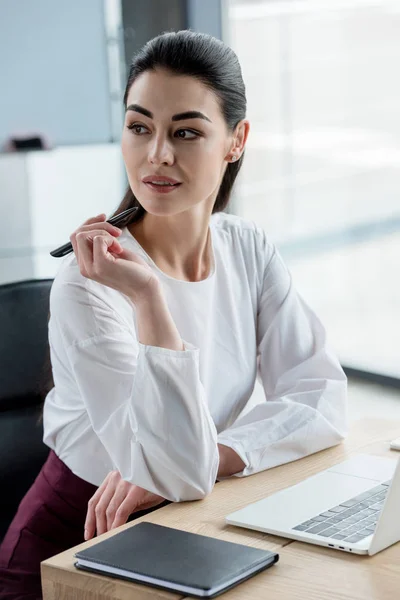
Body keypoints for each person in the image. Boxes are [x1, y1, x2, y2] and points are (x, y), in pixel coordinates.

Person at [0, 30, 348, 599]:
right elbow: (174, 472)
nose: (157, 153)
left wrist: (218, 457)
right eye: (140, 127)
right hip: (70, 554)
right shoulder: (89, 285)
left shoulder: (248, 247)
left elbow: (321, 397)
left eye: (185, 132)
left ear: (236, 141)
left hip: (189, 531)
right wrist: (148, 298)